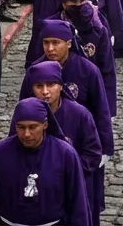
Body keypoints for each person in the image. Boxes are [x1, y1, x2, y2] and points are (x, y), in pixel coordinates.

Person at [0, 98, 90, 226]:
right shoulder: (0, 153)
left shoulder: (65, 154)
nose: (26, 134)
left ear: (45, 124)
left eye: (32, 127)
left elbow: (77, 200)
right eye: (21, 127)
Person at [20, 18, 113, 161]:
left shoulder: (88, 71)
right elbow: (24, 109)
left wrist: (105, 147)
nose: (50, 48)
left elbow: (100, 109)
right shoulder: (34, 71)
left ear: (69, 43)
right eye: (46, 42)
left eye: (55, 43)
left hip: (80, 137)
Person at [25, 61, 103, 223]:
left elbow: (93, 153)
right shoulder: (25, 117)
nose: (45, 92)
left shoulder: (80, 115)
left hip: (73, 188)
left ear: (61, 86)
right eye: (39, 86)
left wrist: (68, 174)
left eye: (51, 84)